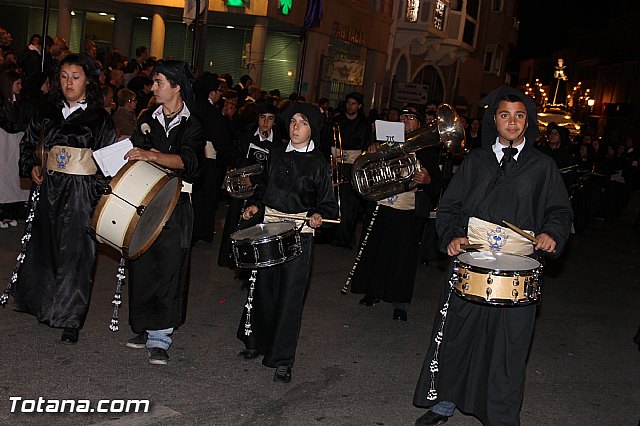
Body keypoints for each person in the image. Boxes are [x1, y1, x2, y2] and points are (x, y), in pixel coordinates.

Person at [413, 85, 573, 425]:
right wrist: (453, 237)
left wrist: (551, 234)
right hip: (472, 262)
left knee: (507, 347)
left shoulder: (542, 167)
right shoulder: (476, 161)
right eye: (504, 115)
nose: (512, 122)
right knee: (458, 335)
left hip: (518, 273)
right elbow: (451, 207)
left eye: (519, 116)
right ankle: (446, 400)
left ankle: (500, 415)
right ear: (494, 120)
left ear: (527, 122)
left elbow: (560, 211)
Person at [12, 53, 117, 344]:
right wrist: (32, 166)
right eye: (64, 76)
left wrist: (97, 195)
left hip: (81, 193)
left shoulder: (99, 118)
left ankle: (71, 317)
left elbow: (107, 162)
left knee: (78, 253)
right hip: (48, 188)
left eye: (76, 76)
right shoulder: (47, 111)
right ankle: (45, 306)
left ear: (87, 81)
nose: (69, 82)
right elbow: (30, 144)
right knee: (45, 246)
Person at [236, 103, 338, 383]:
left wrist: (319, 215)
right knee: (262, 289)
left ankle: (282, 359)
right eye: (292, 121)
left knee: (290, 297)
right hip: (268, 229)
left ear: (312, 129)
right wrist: (255, 206)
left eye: (302, 123)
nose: (295, 127)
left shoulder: (319, 162)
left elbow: (329, 205)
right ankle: (256, 342)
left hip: (298, 236)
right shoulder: (276, 153)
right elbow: (261, 188)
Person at [123, 60, 204, 365]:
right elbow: (136, 151)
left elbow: (189, 161)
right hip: (145, 201)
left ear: (176, 86)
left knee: (170, 269)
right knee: (142, 265)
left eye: (159, 82)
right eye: (153, 83)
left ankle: (161, 337)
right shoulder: (148, 117)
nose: (153, 88)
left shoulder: (192, 123)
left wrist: (151, 154)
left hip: (176, 205)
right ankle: (144, 326)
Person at [347, 106, 442, 321]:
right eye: (403, 116)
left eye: (411, 117)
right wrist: (371, 152)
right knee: (376, 251)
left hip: (407, 211)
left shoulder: (427, 150)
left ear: (419, 123)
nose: (406, 120)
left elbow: (436, 184)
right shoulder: (384, 144)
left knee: (403, 258)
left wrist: (427, 180)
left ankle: (400, 302)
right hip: (381, 207)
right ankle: (372, 292)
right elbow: (367, 173)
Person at [218, 101, 284, 268]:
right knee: (234, 220)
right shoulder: (246, 135)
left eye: (270, 119)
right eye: (263, 118)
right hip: (241, 183)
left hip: (261, 189)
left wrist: (254, 179)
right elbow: (234, 154)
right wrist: (244, 172)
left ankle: (249, 261)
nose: (266, 122)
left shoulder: (278, 144)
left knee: (254, 224)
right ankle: (230, 258)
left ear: (274, 121)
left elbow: (274, 170)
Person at [327, 91, 371, 248]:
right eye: (348, 103)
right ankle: (330, 235)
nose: (350, 106)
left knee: (349, 205)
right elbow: (326, 142)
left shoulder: (365, 124)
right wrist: (330, 160)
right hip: (335, 163)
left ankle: (345, 238)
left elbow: (366, 147)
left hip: (353, 166)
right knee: (333, 200)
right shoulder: (336, 120)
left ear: (359, 106)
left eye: (353, 104)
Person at [191, 72, 231, 244]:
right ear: (212, 93)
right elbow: (222, 141)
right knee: (205, 198)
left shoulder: (189, 107)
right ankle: (202, 232)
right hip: (208, 160)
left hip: (188, 159)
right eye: (218, 91)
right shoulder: (212, 113)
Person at [0, 69, 28, 227]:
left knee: (11, 175)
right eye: (17, 84)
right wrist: (19, 126)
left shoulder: (18, 101)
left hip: (13, 142)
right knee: (3, 176)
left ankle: (10, 212)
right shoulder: (2, 102)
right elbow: (7, 123)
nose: (20, 87)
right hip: (4, 141)